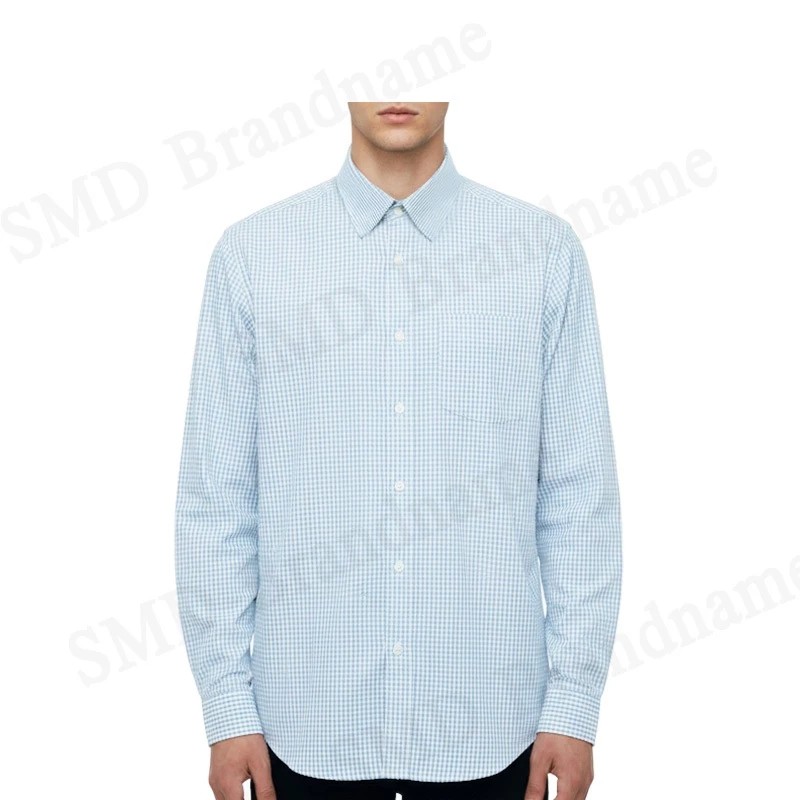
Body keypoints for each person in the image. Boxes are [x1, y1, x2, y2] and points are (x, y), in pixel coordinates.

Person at [174, 101, 622, 800]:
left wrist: (573, 704)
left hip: (496, 737)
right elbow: (217, 499)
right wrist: (227, 706)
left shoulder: (540, 252)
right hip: (301, 735)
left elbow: (578, 496)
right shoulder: (254, 255)